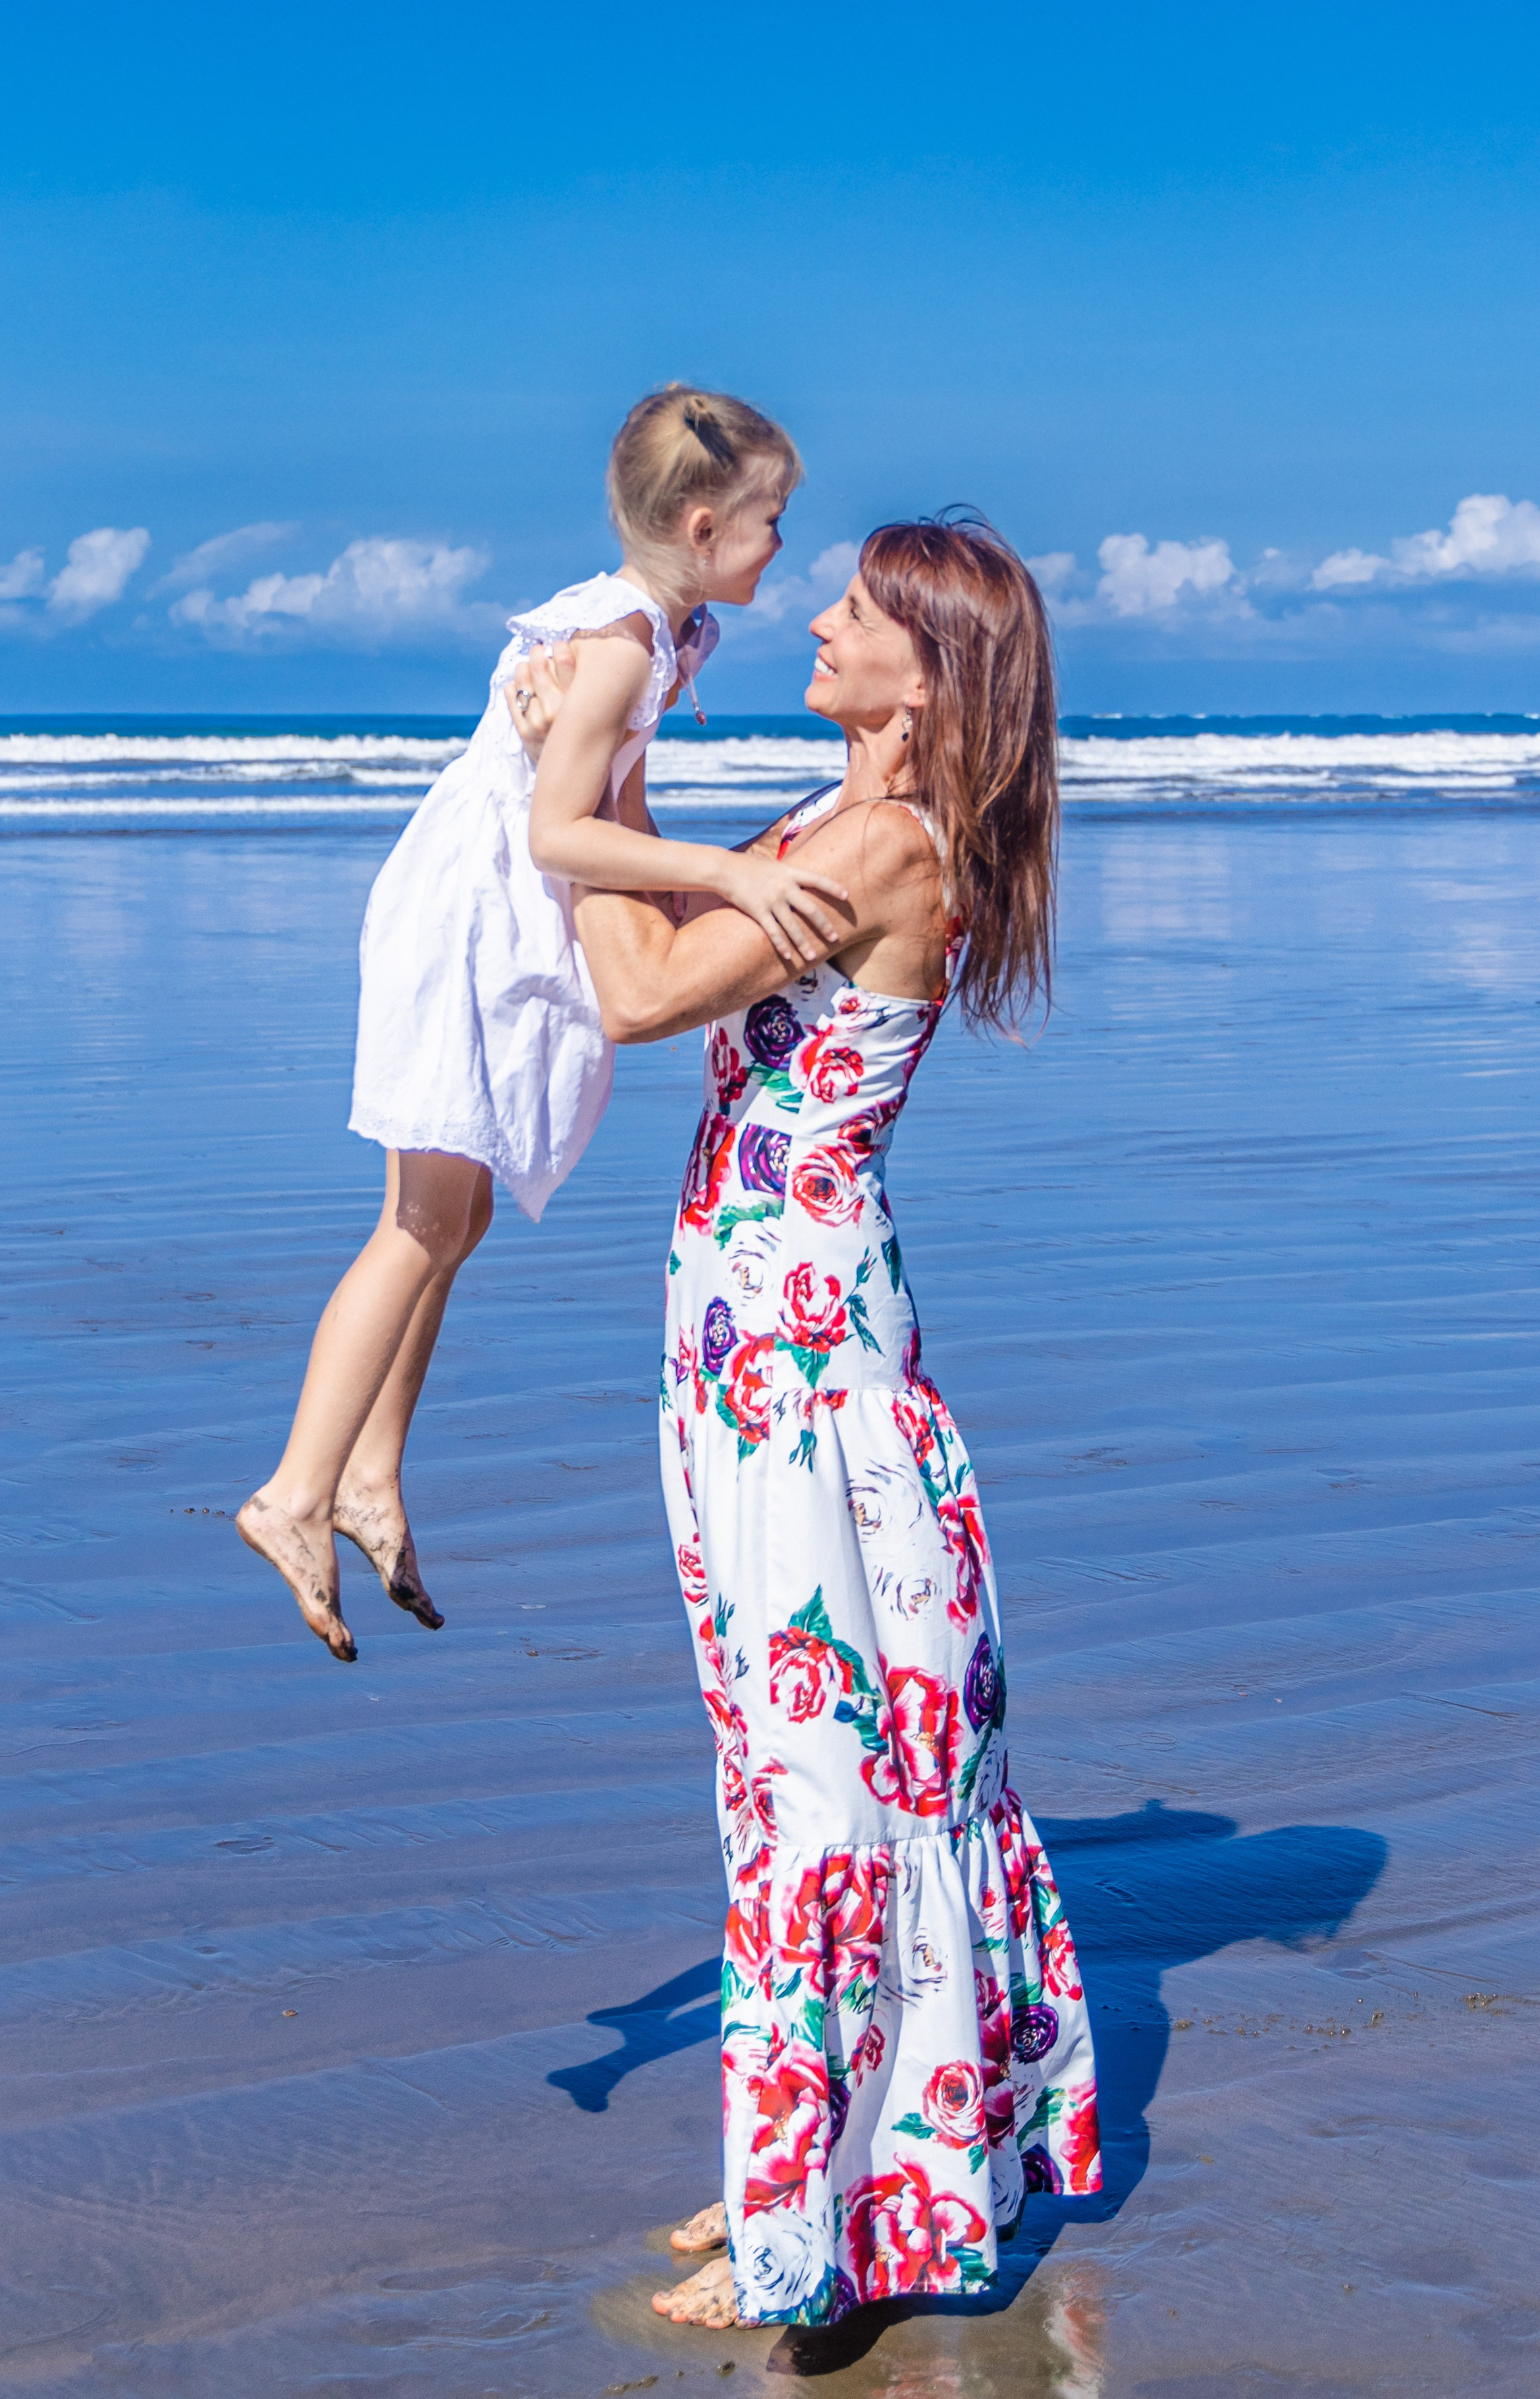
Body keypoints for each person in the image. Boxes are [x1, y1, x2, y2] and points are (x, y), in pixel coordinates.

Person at [511, 513, 1100, 2333]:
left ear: (924, 671)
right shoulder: (817, 824)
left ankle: (817, 2221)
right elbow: (670, 912)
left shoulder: (883, 848)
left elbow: (626, 990)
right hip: (746, 1335)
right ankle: (833, 2169)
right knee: (790, 1763)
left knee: (820, 1768)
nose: (818, 620)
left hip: (802, 1354)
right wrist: (603, 759)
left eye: (853, 610)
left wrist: (571, 774)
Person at [238, 384, 845, 1662]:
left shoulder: (660, 634)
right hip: (468, 917)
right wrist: (731, 876)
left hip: (498, 905)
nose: (784, 547)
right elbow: (555, 832)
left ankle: (370, 1475)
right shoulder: (623, 642)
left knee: (450, 1220)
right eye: (770, 521)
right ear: (699, 523)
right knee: (417, 1221)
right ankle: (293, 1491)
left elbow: (604, 796)